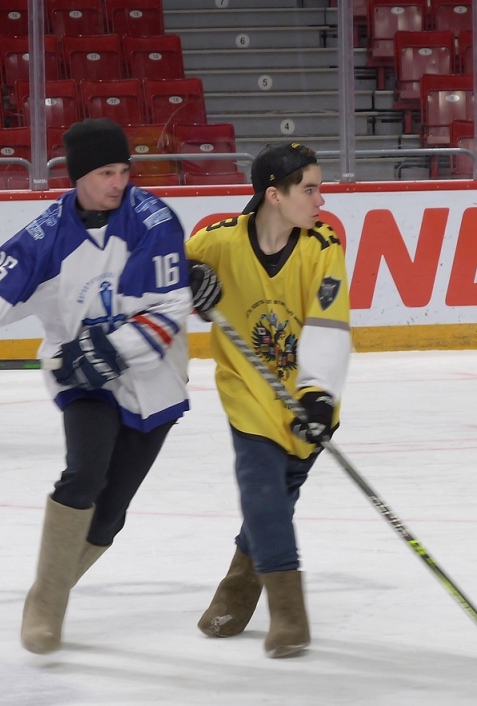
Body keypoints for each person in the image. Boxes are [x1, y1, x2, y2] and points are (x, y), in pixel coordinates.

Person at [0, 118, 192, 654]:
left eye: (123, 170)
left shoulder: (154, 221)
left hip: (153, 381)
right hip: (82, 380)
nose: (119, 182)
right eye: (106, 172)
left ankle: (54, 585)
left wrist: (113, 348)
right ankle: (47, 602)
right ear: (77, 178)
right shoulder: (47, 237)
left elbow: (169, 307)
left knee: (110, 515)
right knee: (84, 476)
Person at [185, 142, 351, 658]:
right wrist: (181, 279)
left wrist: (318, 395)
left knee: (277, 499)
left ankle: (239, 584)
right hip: (249, 393)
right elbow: (150, 271)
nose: (321, 199)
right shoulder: (215, 242)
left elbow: (328, 326)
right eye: (310, 189)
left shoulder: (322, 248)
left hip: (308, 402)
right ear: (273, 195)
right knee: (261, 491)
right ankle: (289, 616)